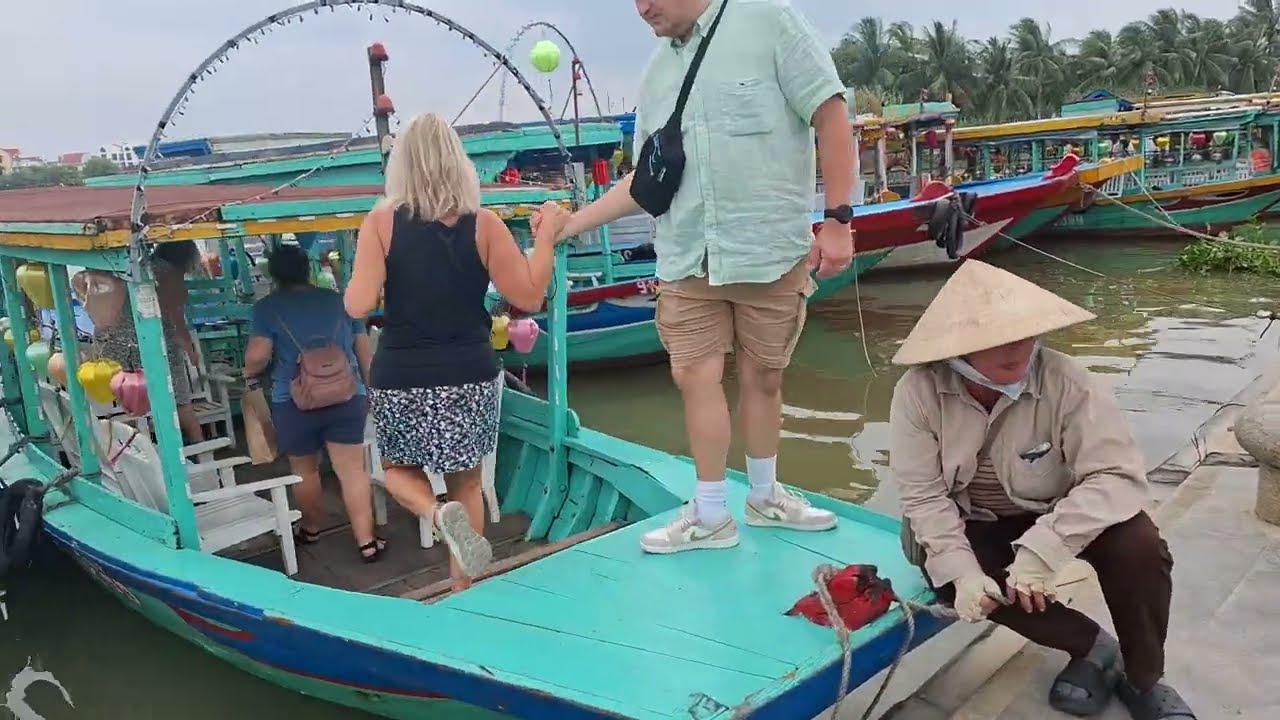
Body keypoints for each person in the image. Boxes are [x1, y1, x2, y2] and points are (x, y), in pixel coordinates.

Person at [531, 0, 855, 554]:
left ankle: (765, 495)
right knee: (694, 376)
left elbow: (829, 113)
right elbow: (645, 181)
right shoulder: (657, 72)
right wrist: (571, 225)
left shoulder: (769, 19)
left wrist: (839, 220)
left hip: (768, 248)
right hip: (686, 254)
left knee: (764, 375)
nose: (642, 8)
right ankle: (709, 513)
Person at [889, 260, 1194, 720]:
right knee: (948, 575)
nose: (1016, 349)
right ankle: (1090, 646)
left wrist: (1043, 549)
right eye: (994, 339)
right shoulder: (918, 393)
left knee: (1141, 546)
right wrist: (965, 574)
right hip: (978, 517)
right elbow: (924, 496)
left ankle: (1143, 675)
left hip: (1059, 509)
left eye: (1026, 333)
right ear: (956, 348)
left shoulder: (1069, 382)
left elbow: (1115, 476)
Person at [344, 112, 572, 591]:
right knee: (467, 482)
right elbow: (530, 296)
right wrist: (546, 236)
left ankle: (433, 511)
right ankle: (461, 590)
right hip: (468, 372)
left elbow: (359, 304)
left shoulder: (381, 222)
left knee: (398, 470)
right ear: (459, 163)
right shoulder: (483, 224)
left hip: (401, 371)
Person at [243, 243, 382, 561]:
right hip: (347, 396)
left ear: (273, 274)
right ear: (307, 269)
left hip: (293, 402)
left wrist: (248, 372)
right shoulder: (341, 302)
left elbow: (257, 357)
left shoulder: (268, 308)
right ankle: (366, 542)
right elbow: (365, 354)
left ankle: (311, 528)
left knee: (305, 470)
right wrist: (371, 392)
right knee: (352, 471)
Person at [95, 240, 205, 442]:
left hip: (119, 345)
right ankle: (202, 449)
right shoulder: (169, 273)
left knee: (136, 404)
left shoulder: (135, 265)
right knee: (180, 403)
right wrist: (190, 350)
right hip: (157, 342)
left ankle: (144, 452)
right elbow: (175, 315)